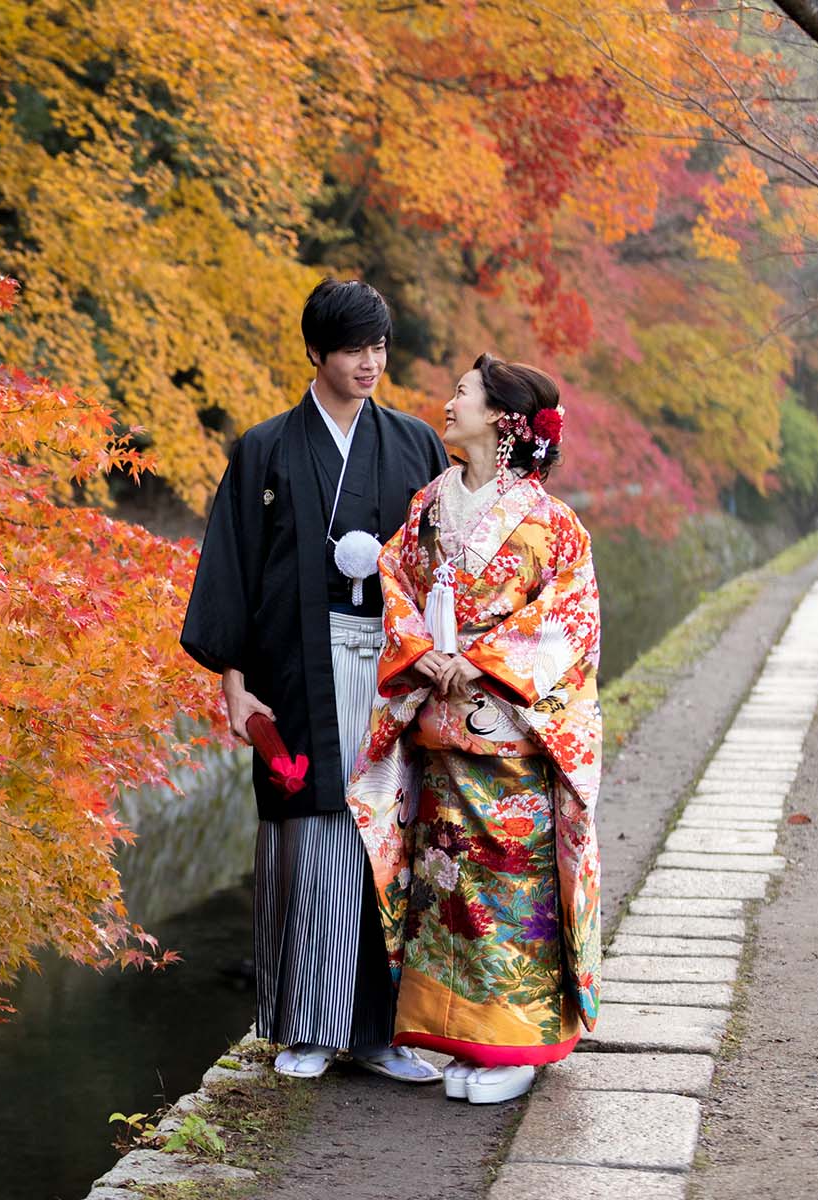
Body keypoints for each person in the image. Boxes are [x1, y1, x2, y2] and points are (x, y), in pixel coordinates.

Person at [182, 278, 448, 1082]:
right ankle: (307, 1026)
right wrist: (234, 683)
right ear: (315, 352)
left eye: (379, 348)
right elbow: (231, 572)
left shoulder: (412, 444)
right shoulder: (263, 450)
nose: (370, 363)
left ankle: (386, 1032)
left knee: (391, 837)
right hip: (296, 668)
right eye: (353, 349)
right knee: (308, 835)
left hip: (394, 671)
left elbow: (448, 567)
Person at [346, 353, 602, 1106]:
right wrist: (426, 655)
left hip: (510, 735)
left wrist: (482, 661)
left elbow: (568, 618)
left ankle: (515, 1044)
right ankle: (457, 1035)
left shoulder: (552, 522)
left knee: (511, 888)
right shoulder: (429, 502)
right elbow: (396, 582)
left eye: (463, 392)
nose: (448, 402)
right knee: (444, 887)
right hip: (436, 721)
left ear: (500, 416)